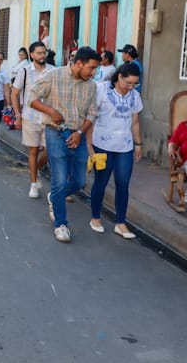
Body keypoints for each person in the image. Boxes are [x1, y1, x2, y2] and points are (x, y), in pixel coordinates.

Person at [31, 46, 100, 243]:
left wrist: (80, 133)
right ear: (79, 64)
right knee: (60, 180)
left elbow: (93, 113)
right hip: (55, 133)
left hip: (77, 136)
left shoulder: (92, 86)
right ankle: (61, 224)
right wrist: (51, 111)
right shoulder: (54, 75)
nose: (93, 73)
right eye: (91, 68)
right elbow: (32, 98)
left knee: (79, 181)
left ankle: (55, 197)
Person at [87, 63, 143, 239]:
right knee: (101, 182)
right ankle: (95, 217)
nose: (131, 87)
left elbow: (135, 122)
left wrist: (138, 144)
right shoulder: (101, 90)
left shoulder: (135, 96)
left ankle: (121, 222)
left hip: (124, 146)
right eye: (128, 83)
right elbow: (91, 117)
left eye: (135, 84)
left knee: (123, 184)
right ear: (119, 77)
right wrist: (89, 146)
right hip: (101, 145)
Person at [11, 41, 55, 199]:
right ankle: (34, 184)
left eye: (44, 52)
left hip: (49, 118)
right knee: (33, 150)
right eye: (39, 53)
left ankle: (35, 170)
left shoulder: (53, 71)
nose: (42, 55)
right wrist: (17, 115)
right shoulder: (24, 72)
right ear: (32, 55)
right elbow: (14, 94)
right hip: (29, 116)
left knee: (49, 150)